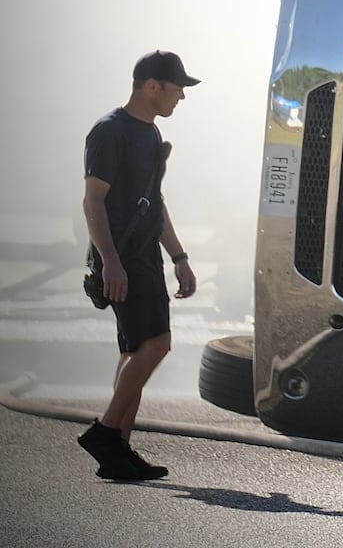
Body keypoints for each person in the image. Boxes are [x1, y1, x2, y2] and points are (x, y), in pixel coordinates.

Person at [77, 50, 199, 481]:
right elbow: (93, 200)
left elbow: (154, 203)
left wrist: (179, 256)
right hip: (123, 257)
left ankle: (118, 453)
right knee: (157, 344)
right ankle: (107, 432)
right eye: (177, 87)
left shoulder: (149, 134)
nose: (181, 96)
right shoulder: (111, 132)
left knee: (134, 351)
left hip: (144, 256)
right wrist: (110, 261)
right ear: (152, 86)